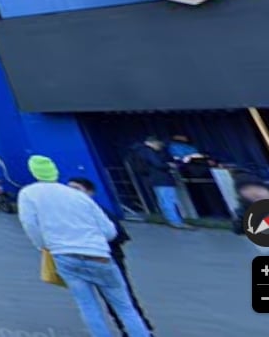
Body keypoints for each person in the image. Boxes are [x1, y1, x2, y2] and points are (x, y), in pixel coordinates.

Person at [18, 156, 151, 337]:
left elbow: (30, 225)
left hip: (64, 255)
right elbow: (109, 230)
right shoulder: (78, 196)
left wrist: (44, 245)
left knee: (88, 306)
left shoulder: (28, 194)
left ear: (34, 172)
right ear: (55, 172)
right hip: (98, 255)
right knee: (125, 307)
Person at [68, 177, 155, 336]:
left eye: (77, 189)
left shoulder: (99, 211)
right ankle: (133, 329)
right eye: (70, 189)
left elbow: (118, 234)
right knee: (107, 301)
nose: (72, 193)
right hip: (91, 258)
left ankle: (139, 329)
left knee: (120, 299)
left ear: (90, 192)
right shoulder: (74, 213)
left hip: (107, 258)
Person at [130, 136, 189, 229]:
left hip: (153, 179)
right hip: (161, 179)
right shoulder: (148, 151)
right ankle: (176, 221)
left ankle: (172, 220)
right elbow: (158, 164)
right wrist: (169, 165)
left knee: (164, 200)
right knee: (169, 200)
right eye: (159, 145)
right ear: (154, 142)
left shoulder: (139, 151)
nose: (159, 147)